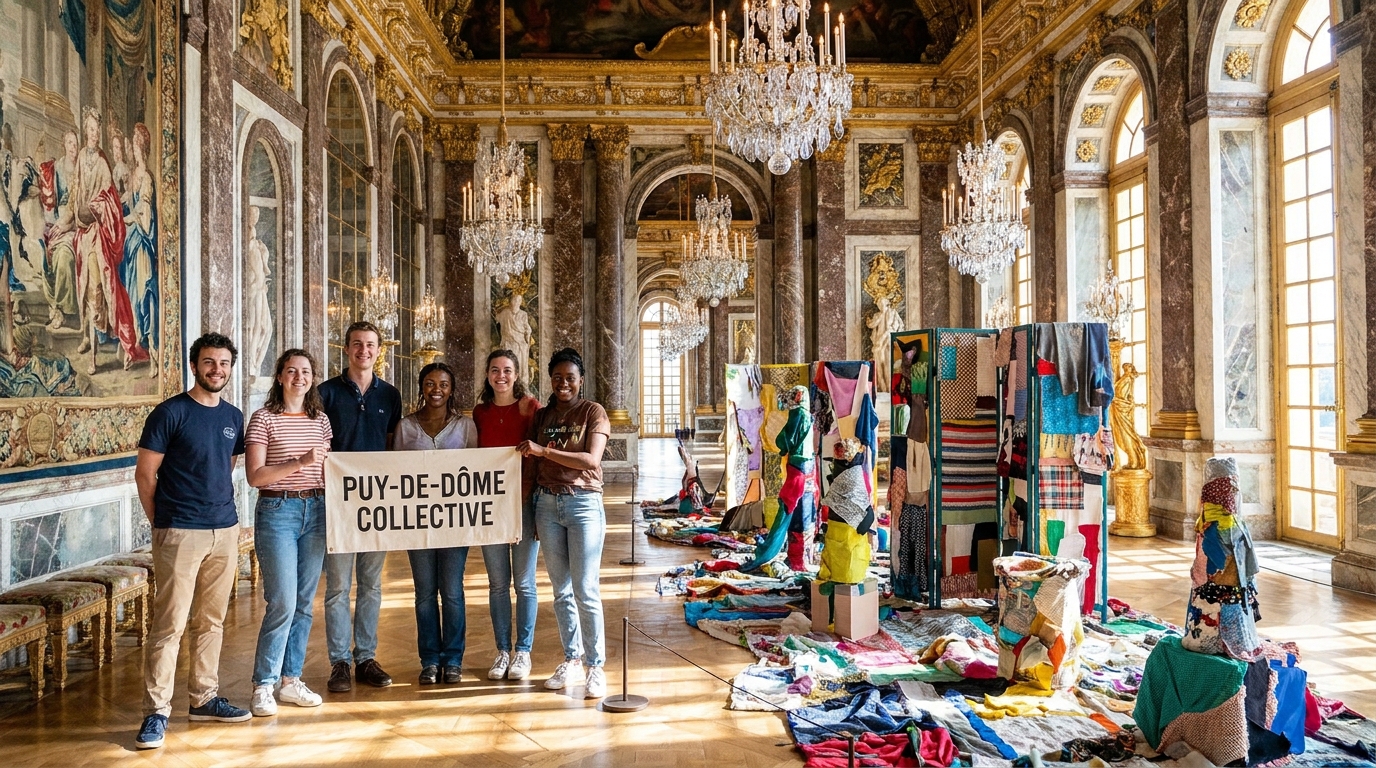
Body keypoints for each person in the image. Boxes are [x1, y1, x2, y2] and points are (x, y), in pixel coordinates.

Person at [133, 333, 252, 749]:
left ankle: (204, 697)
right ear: (194, 365)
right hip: (180, 530)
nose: (216, 370)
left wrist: (224, 526)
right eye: (209, 362)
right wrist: (163, 525)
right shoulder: (170, 413)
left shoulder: (234, 417)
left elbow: (227, 466)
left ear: (230, 368)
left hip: (225, 528)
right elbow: (145, 475)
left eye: (223, 363)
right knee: (169, 624)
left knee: (212, 621)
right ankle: (156, 712)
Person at [518, 348, 610, 699]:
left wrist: (544, 451)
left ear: (580, 380)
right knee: (561, 590)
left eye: (570, 377)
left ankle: (595, 666)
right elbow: (532, 464)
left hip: (584, 504)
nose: (563, 384)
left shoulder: (593, 412)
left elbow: (590, 459)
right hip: (547, 504)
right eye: (557, 378)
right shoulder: (544, 416)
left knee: (586, 588)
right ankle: (572, 659)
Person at [244, 349, 332, 716]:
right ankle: (263, 684)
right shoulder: (263, 419)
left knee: (304, 603)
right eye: (292, 371)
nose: (300, 377)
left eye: (306, 371)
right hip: (278, 510)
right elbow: (255, 476)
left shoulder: (321, 421)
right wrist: (300, 462)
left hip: (317, 511)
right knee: (281, 600)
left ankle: (290, 680)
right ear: (279, 376)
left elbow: (329, 470)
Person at [318, 321, 402, 692]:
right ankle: (339, 662)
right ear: (347, 349)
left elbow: (392, 446)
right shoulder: (325, 393)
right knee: (337, 587)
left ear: (378, 349)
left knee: (371, 585)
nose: (363, 350)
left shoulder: (391, 395)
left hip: (377, 503)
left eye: (370, 345)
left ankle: (365, 656)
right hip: (338, 503)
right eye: (356, 344)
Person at [393, 362, 478, 685]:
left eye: (443, 384)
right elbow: (395, 476)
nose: (437, 390)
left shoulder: (465, 427)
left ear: (451, 389)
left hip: (455, 523)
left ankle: (453, 659)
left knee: (453, 592)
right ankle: (429, 660)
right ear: (421, 387)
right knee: (425, 593)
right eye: (430, 384)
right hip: (417, 524)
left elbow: (478, 473)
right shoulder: (405, 428)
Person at [473, 349, 542, 681]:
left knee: (525, 582)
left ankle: (523, 652)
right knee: (498, 583)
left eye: (507, 370)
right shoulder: (479, 412)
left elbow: (541, 454)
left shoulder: (531, 407)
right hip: (489, 505)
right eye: (495, 370)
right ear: (487, 374)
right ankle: (502, 651)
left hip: (524, 502)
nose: (501, 375)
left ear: (517, 374)